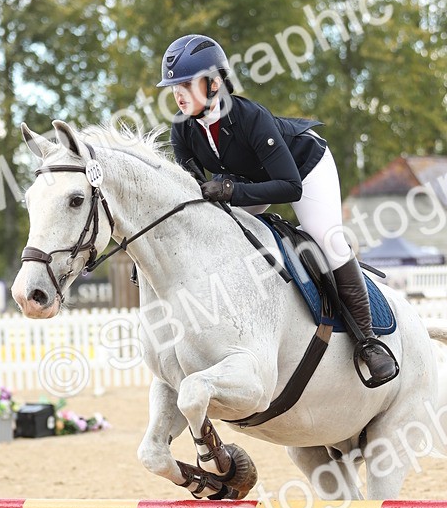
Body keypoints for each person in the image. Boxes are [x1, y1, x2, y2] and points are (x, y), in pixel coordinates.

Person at [158, 33, 397, 385]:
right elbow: (194, 196)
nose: (177, 94)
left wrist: (229, 189)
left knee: (326, 239)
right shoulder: (182, 129)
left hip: (303, 168)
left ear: (213, 84)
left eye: (186, 84)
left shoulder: (251, 118)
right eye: (173, 86)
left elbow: (290, 187)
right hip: (249, 179)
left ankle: (368, 341)